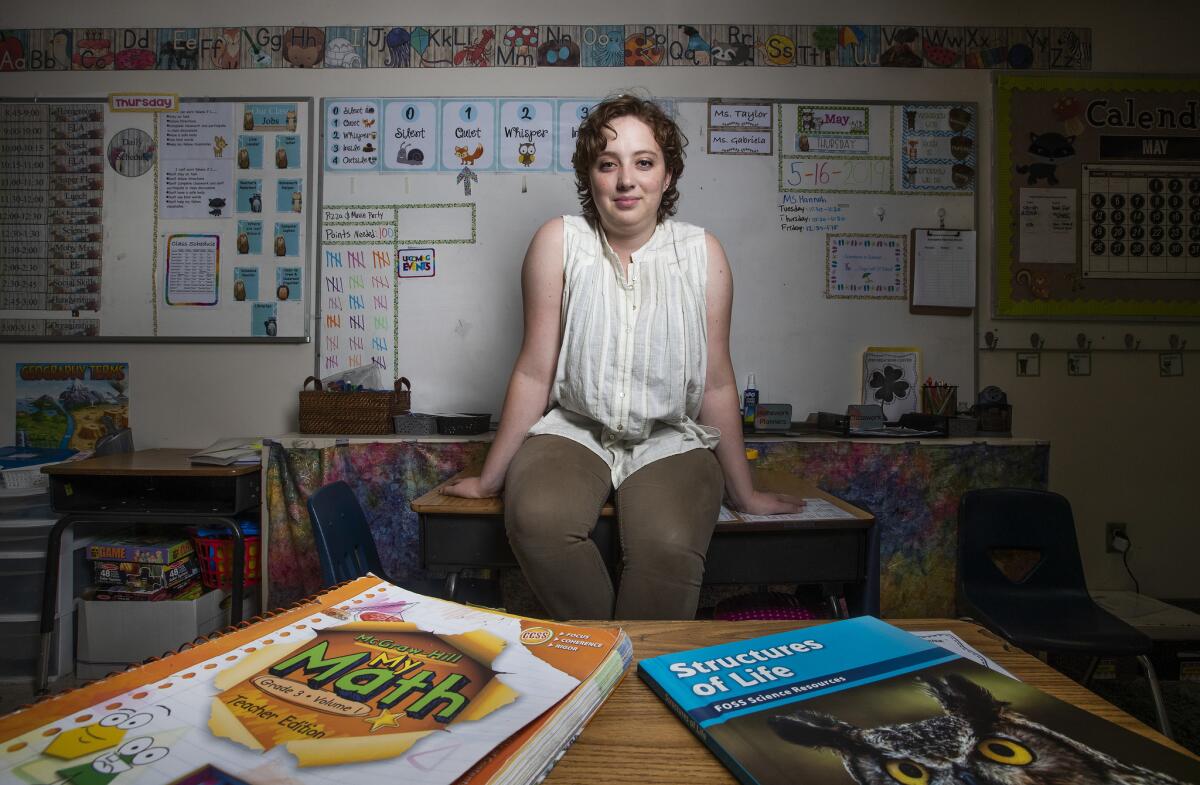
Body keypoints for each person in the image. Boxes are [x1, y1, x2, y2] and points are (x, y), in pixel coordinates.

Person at [443, 94, 803, 620]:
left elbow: (718, 383)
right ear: (590, 176)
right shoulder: (559, 242)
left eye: (644, 162)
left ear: (668, 174)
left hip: (670, 438)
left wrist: (744, 494)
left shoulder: (703, 255)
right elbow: (534, 369)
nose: (626, 180)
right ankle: (609, 659)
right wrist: (489, 480)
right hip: (574, 430)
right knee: (538, 519)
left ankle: (631, 680)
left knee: (670, 543)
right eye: (608, 164)